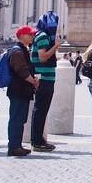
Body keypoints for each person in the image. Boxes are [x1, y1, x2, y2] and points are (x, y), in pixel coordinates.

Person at [29, 17, 64, 152]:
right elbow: (43, 57)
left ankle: (38, 139)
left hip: (43, 77)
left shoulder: (38, 35)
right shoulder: (43, 36)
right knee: (41, 110)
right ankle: (37, 141)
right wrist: (56, 46)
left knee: (40, 110)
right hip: (44, 78)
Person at [6, 25, 40, 156]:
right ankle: (13, 146)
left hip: (22, 90)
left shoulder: (23, 50)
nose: (32, 37)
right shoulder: (17, 52)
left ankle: (17, 144)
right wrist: (33, 81)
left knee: (20, 118)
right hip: (18, 90)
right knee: (16, 118)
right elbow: (21, 71)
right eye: (30, 34)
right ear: (21, 36)